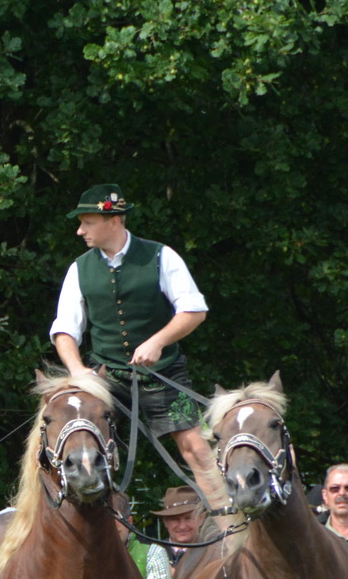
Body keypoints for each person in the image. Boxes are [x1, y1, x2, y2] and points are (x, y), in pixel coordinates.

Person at [49, 184, 221, 509]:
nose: (79, 230)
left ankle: (229, 526)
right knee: (76, 439)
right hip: (106, 378)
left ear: (113, 220)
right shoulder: (79, 269)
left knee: (195, 447)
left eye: (87, 222)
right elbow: (64, 330)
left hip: (163, 371)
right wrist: (77, 371)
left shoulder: (161, 256)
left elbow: (194, 310)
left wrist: (158, 341)